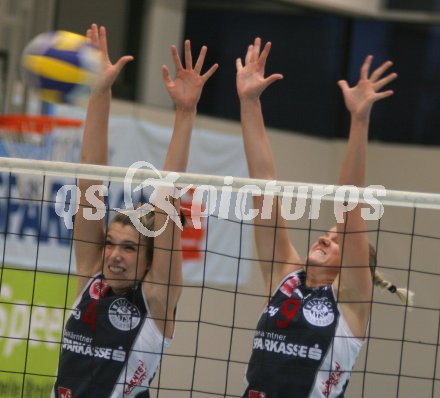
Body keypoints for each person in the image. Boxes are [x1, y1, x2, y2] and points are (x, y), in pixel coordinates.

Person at [236, 38, 413, 398]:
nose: (326, 238)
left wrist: (359, 120)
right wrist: (249, 103)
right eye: (328, 234)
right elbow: (263, 185)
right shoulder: (285, 275)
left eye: (337, 240)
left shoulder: (350, 300)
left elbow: (350, 206)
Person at [52, 24, 218, 398]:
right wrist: (99, 92)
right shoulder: (91, 277)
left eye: (128, 248)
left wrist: (185, 112)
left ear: (148, 261)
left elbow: (167, 199)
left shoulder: (157, 300)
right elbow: (91, 179)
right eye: (111, 243)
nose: (113, 255)